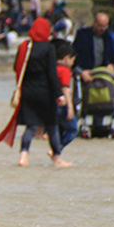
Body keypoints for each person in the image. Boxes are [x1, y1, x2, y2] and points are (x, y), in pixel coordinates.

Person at [16, 18, 70, 167]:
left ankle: (23, 156)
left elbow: (17, 67)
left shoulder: (26, 47)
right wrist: (59, 95)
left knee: (31, 126)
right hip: (45, 93)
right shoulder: (48, 48)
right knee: (51, 126)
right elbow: (52, 74)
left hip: (28, 92)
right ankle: (57, 158)